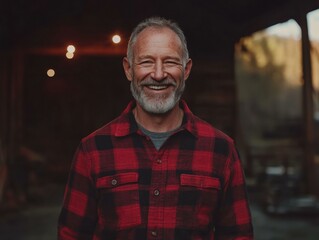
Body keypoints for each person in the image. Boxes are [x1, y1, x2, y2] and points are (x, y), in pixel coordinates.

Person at [58, 17, 254, 240]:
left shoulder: (221, 150)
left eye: (170, 62)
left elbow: (239, 236)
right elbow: (71, 236)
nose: (159, 74)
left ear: (186, 69)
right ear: (129, 69)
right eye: (147, 62)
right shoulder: (92, 150)